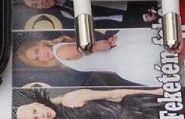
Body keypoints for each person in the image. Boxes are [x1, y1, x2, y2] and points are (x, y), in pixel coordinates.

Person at [11, 86, 182, 119]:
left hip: (139, 107)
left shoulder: (70, 98)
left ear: (38, 104)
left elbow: (113, 93)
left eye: (35, 112)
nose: (41, 116)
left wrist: (152, 92)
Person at [15, 32, 163, 87]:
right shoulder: (60, 53)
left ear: (40, 44)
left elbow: (90, 48)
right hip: (120, 60)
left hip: (123, 57)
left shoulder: (59, 52)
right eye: (37, 58)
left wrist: (101, 45)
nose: (42, 56)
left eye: (37, 51)